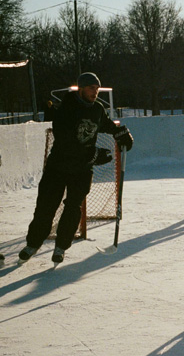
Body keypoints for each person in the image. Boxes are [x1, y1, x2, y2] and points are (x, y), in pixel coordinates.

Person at [18, 72, 134, 265]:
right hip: (58, 167)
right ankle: (33, 244)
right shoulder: (66, 108)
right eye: (91, 88)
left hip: (81, 170)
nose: (95, 92)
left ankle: (61, 247)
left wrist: (120, 132)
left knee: (73, 208)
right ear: (80, 89)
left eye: (97, 89)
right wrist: (92, 155)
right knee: (46, 206)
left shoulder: (97, 109)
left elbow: (105, 124)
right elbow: (66, 141)